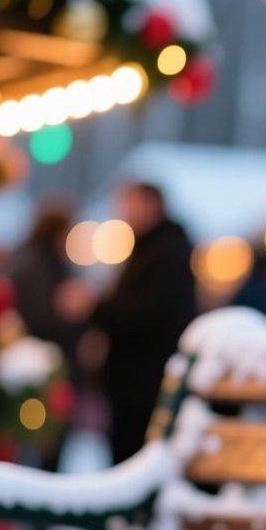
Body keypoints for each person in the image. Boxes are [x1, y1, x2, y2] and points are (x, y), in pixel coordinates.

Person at [59, 182, 197, 465]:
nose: (124, 213)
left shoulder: (164, 252)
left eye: (130, 204)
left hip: (144, 384)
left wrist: (94, 308)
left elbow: (145, 314)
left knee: (135, 459)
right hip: (137, 381)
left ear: (152, 205)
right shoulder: (153, 247)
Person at [3, 198, 84, 471]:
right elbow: (41, 316)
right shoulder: (36, 265)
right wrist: (72, 312)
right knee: (42, 442)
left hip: (50, 366)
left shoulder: (42, 261)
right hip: (40, 368)